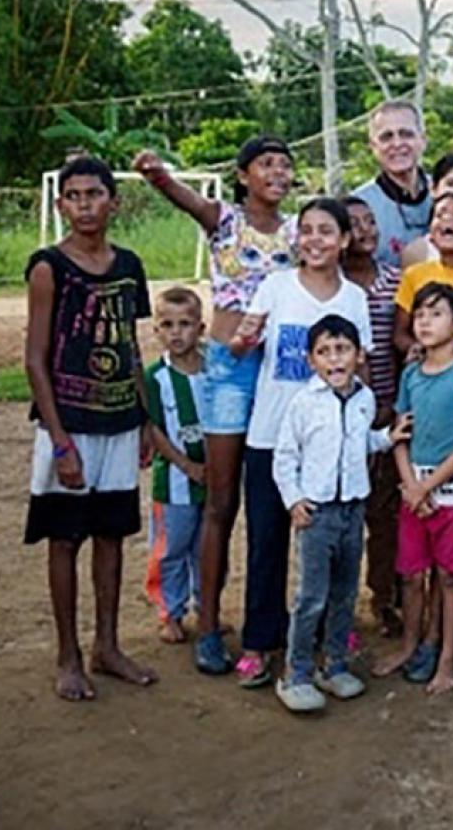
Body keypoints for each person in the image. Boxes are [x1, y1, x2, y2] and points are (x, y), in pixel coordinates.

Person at [133, 139, 296, 676]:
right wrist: (158, 175)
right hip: (228, 369)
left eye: (284, 164)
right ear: (243, 174)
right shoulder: (224, 219)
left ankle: (268, 622)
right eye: (266, 163)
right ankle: (207, 628)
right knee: (220, 501)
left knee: (273, 503)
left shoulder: (298, 231)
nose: (277, 171)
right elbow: (183, 198)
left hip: (278, 373)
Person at [24, 156, 157, 701]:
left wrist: (146, 419)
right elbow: (35, 359)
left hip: (121, 422)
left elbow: (130, 348)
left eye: (94, 194)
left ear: (113, 201)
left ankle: (107, 645)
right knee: (65, 538)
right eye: (74, 196)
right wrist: (60, 442)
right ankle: (68, 655)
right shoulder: (48, 266)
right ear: (61, 205)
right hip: (70, 425)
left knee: (111, 535)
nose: (84, 205)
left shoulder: (128, 265)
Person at [233, 198, 373, 688]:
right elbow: (240, 345)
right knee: (267, 544)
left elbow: (366, 367)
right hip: (272, 438)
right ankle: (260, 640)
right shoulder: (274, 286)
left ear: (345, 240)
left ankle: (328, 640)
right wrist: (242, 340)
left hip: (331, 448)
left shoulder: (354, 298)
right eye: (307, 230)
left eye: (327, 231)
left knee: (332, 551)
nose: (315, 240)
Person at [270, 314, 409, 713]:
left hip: (353, 509)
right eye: (325, 352)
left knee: (345, 592)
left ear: (359, 354)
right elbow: (285, 456)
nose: (335, 359)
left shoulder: (364, 398)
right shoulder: (303, 402)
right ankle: (295, 673)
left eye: (343, 350)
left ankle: (334, 666)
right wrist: (294, 500)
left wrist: (387, 439)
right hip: (317, 514)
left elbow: (359, 441)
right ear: (311, 360)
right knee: (311, 596)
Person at [372, 283, 453, 694]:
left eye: (436, 313)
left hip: (451, 494)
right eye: (420, 313)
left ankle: (446, 658)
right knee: (410, 575)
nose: (424, 321)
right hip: (414, 489)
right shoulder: (411, 374)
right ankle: (411, 645)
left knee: (452, 577)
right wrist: (410, 485)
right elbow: (400, 433)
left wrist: (426, 486)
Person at [341, 196, 406, 637]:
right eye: (355, 223)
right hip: (343, 415)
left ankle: (385, 596)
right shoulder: (333, 284)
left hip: (387, 409)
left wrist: (392, 407)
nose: (366, 229)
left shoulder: (395, 281)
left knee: (385, 515)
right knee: (341, 515)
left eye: (370, 221)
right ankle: (336, 603)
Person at [143, 286, 207, 645]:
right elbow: (153, 429)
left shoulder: (212, 369)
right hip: (176, 482)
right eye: (167, 324)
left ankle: (205, 606)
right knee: (171, 547)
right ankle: (170, 611)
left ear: (200, 328)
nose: (176, 332)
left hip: (212, 478)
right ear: (157, 330)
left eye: (185, 324)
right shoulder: (155, 378)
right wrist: (185, 464)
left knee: (206, 547)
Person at [393, 192, 453, 356]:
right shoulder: (414, 275)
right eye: (440, 215)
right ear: (430, 235)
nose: (447, 219)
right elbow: (400, 334)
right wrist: (415, 349)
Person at [353, 99, 432, 266]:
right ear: (373, 147)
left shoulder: (444, 193)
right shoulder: (359, 206)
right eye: (386, 137)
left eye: (406, 134)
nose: (397, 144)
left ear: (423, 140)